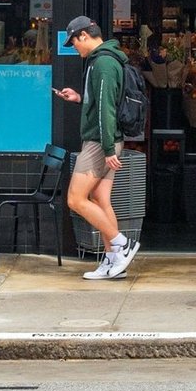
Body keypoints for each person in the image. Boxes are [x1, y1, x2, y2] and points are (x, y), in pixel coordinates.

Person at [53, 16, 137, 281]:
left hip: (100, 142)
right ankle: (114, 261)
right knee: (100, 198)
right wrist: (80, 98)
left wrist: (108, 149)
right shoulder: (105, 60)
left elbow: (106, 109)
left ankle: (121, 243)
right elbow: (101, 103)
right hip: (106, 140)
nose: (74, 48)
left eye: (74, 42)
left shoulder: (103, 63)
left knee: (75, 199)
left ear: (84, 36)